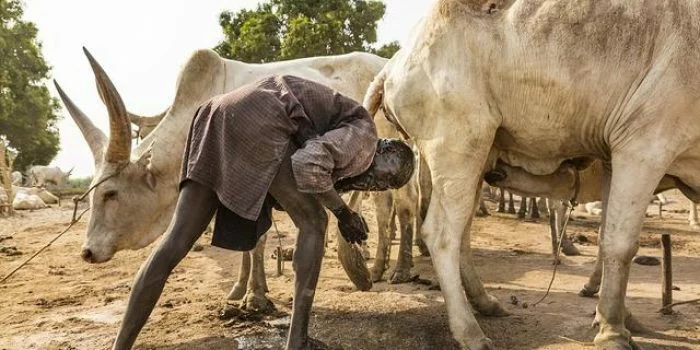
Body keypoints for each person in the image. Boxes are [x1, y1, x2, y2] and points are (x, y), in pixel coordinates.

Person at [112, 74, 415, 349]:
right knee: (314, 222)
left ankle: (120, 346)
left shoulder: (348, 140)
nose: (375, 185)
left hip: (216, 114)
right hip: (262, 114)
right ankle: (298, 341)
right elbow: (307, 164)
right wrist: (343, 213)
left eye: (382, 187)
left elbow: (299, 172)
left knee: (173, 245)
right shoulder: (364, 136)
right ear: (382, 150)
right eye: (382, 178)